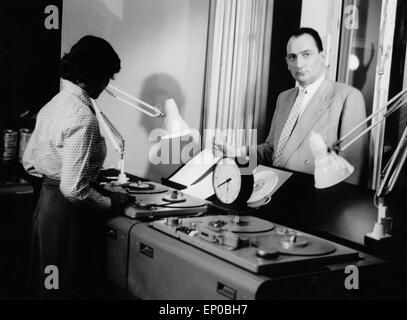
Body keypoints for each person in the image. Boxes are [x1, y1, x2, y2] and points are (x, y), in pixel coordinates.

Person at [23, 35, 132, 299]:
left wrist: (62, 172)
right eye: (107, 76)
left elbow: (29, 160)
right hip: (68, 215)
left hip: (47, 208)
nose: (106, 84)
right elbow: (73, 189)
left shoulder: (54, 105)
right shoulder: (82, 117)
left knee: (49, 285)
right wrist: (111, 201)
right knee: (69, 288)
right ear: (95, 74)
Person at [215, 27, 367, 185]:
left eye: (306, 55)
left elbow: (353, 168)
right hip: (274, 189)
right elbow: (272, 150)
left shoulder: (347, 97)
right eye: (292, 57)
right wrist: (240, 152)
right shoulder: (284, 98)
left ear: (322, 57)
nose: (299, 64)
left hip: (316, 198)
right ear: (287, 63)